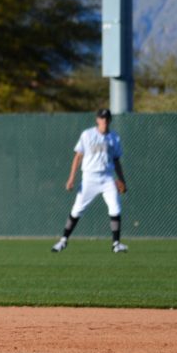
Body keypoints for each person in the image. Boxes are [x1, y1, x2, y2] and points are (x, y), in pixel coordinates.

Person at [52, 109, 129, 254]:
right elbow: (78, 156)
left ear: (110, 120)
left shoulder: (114, 137)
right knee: (77, 210)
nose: (104, 120)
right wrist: (71, 178)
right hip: (89, 178)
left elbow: (117, 160)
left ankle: (116, 244)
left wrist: (122, 180)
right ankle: (63, 241)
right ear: (97, 120)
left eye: (106, 117)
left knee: (115, 208)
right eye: (101, 117)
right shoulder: (87, 135)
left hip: (107, 178)